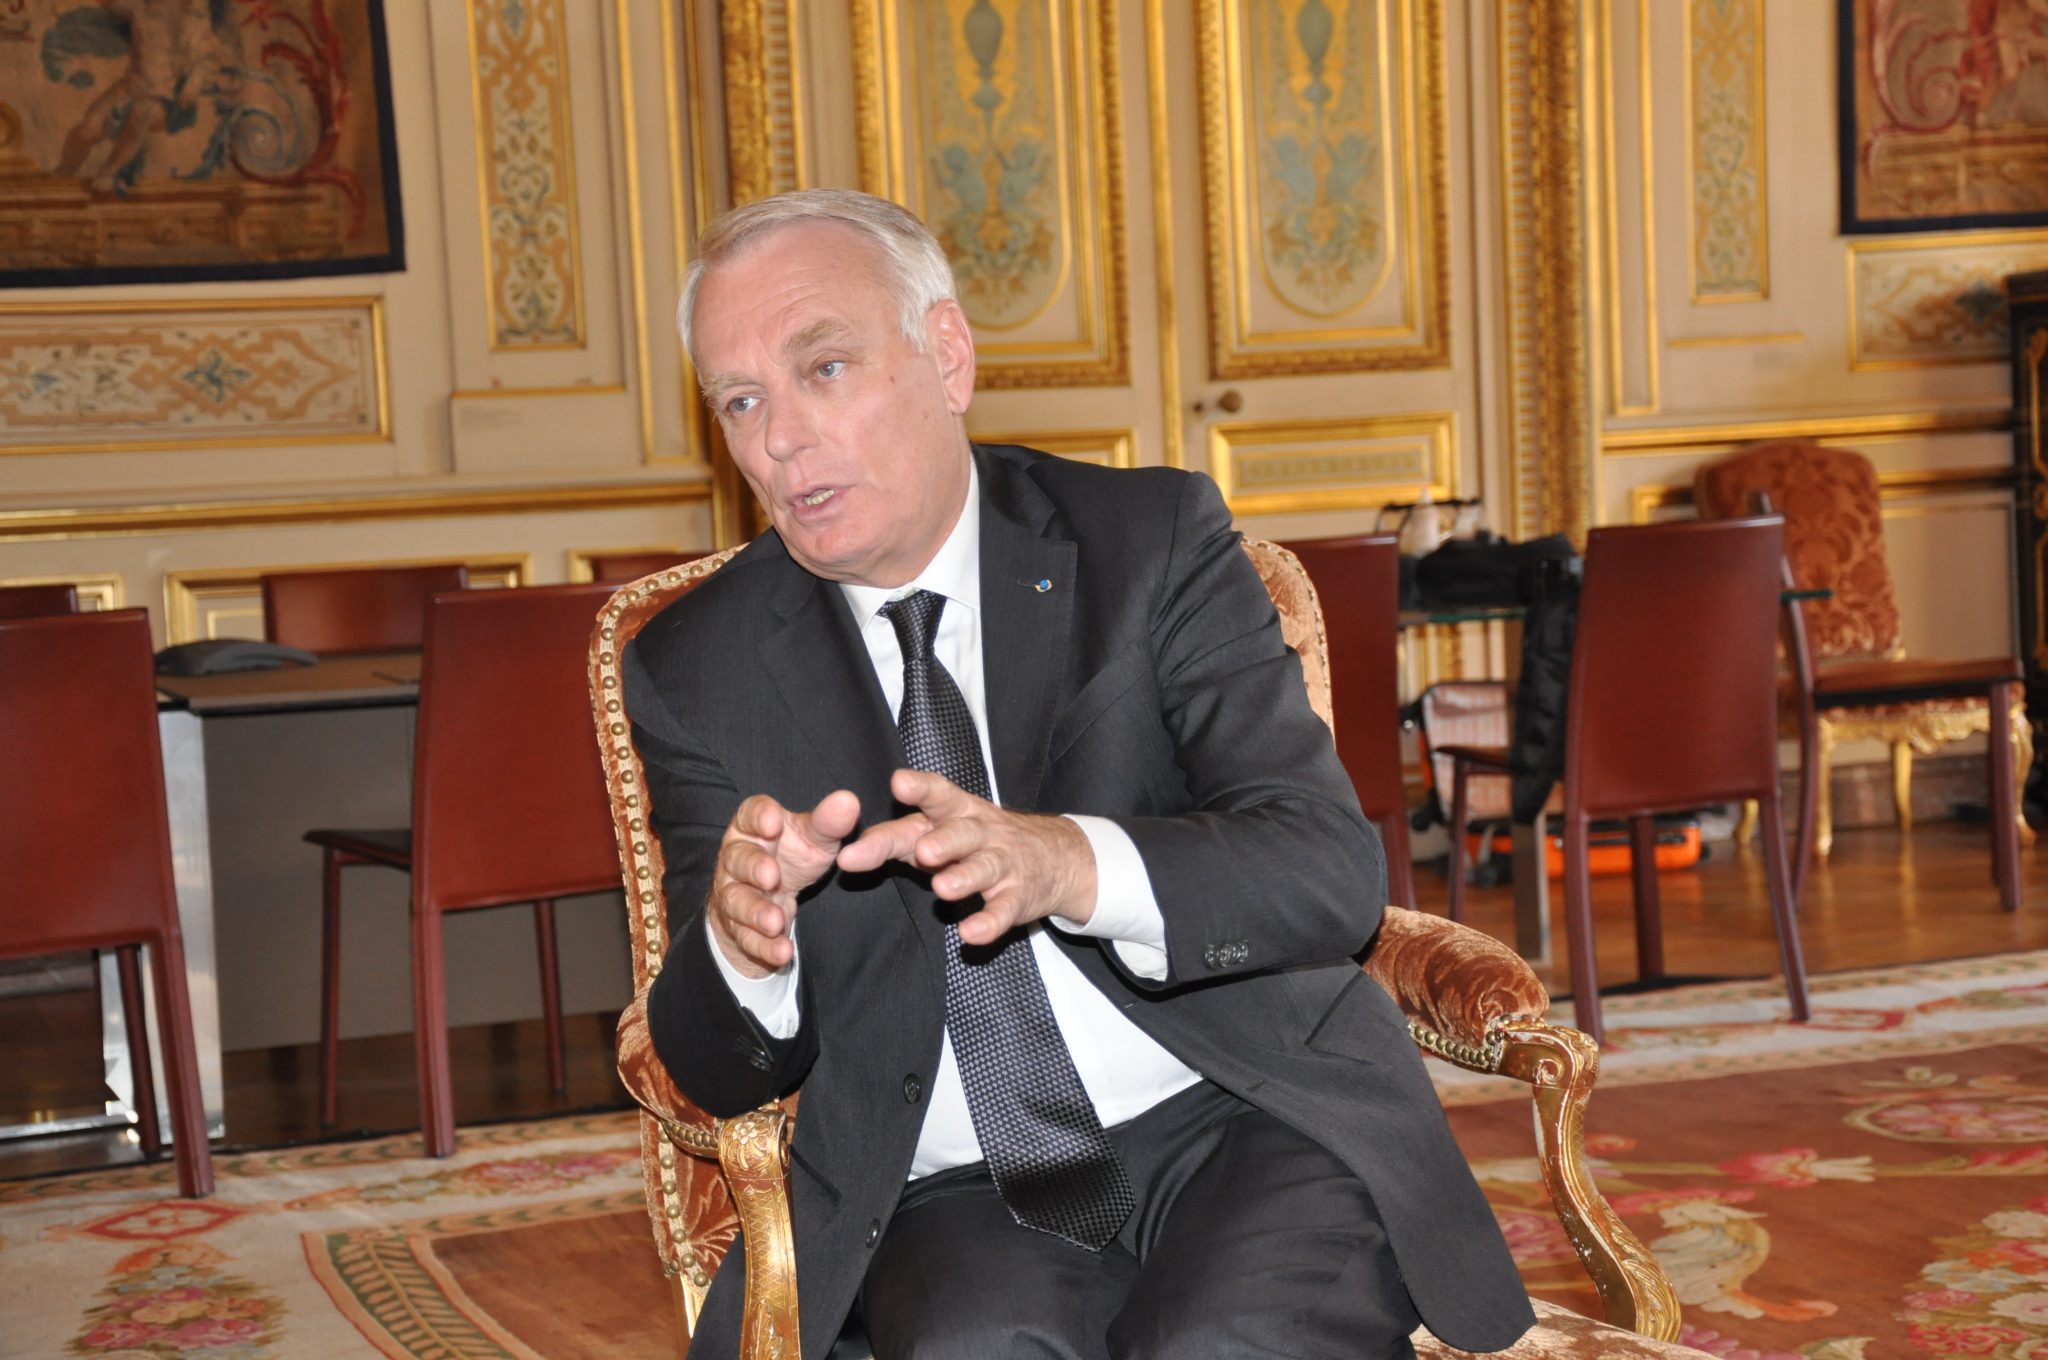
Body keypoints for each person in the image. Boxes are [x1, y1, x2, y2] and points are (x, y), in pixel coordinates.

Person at [624, 188, 1532, 1360]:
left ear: (946, 355)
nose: (779, 439)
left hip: (1245, 1109)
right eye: (740, 401)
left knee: (1223, 1343)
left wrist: (1066, 862)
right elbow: (706, 1062)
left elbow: (1322, 869)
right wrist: (744, 950)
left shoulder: (1143, 542)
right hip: (949, 1188)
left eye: (824, 369)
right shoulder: (700, 666)